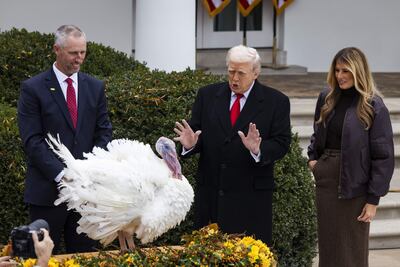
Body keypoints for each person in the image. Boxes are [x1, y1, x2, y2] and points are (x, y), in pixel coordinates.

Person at [174, 44, 291, 245]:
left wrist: (258, 149)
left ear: (255, 73)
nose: (234, 79)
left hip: (251, 201)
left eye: (241, 73)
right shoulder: (208, 95)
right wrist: (191, 144)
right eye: (231, 72)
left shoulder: (276, 101)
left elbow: (282, 142)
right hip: (212, 197)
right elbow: (197, 134)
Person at [17, 25, 112, 253]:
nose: (79, 59)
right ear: (56, 50)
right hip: (47, 192)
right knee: (42, 256)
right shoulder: (33, 89)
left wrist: (88, 170)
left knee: (84, 256)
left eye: (83, 52)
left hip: (86, 193)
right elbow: (32, 140)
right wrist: (63, 174)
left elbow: (104, 132)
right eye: (73, 53)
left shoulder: (95, 87)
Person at [307, 47, 394, 266]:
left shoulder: (373, 106)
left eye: (346, 70)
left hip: (356, 186)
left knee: (352, 249)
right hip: (326, 182)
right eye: (337, 70)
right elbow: (317, 134)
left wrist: (373, 199)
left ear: (359, 71)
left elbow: (383, 156)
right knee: (328, 246)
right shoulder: (326, 98)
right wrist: (313, 161)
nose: (340, 76)